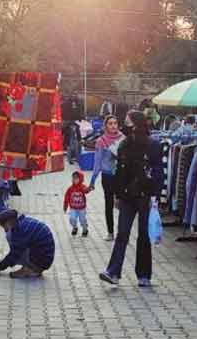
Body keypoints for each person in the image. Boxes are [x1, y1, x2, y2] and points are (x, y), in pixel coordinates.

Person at [99, 111, 164, 287]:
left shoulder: (153, 145)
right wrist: (117, 195)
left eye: (129, 123)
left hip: (145, 196)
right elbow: (119, 172)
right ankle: (113, 272)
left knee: (143, 235)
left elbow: (158, 173)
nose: (126, 127)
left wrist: (155, 195)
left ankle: (143, 275)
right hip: (127, 196)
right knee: (122, 234)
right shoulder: (124, 145)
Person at [0, 209, 56, 279]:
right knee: (12, 238)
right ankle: (30, 266)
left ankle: (33, 269)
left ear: (9, 222)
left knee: (12, 240)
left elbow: (14, 254)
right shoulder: (22, 221)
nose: (5, 230)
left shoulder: (19, 230)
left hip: (43, 261)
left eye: (4, 226)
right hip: (44, 256)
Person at [88, 115, 124, 241]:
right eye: (110, 123)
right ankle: (110, 232)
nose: (113, 126)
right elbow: (97, 163)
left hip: (121, 176)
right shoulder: (101, 141)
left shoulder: (123, 139)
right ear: (105, 126)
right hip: (107, 177)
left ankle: (122, 232)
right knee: (108, 204)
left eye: (115, 123)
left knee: (122, 204)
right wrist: (92, 181)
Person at [63, 171, 94, 237]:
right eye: (73, 178)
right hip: (73, 208)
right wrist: (65, 206)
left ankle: (85, 229)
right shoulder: (70, 189)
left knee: (82, 220)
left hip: (81, 208)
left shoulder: (82, 187)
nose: (75, 180)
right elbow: (66, 197)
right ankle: (75, 227)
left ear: (80, 179)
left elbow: (86, 190)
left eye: (76, 178)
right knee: (72, 219)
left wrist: (89, 188)